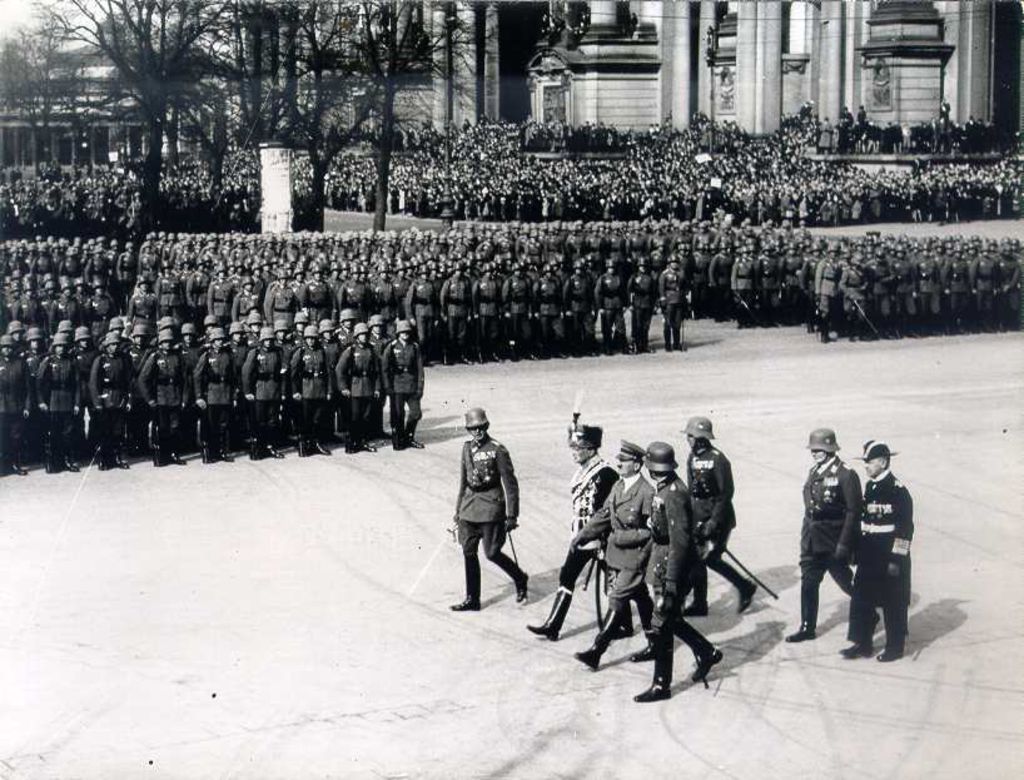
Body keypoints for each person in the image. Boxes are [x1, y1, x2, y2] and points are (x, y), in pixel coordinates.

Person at [633, 442, 722, 703]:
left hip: (674, 568)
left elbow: (680, 543)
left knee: (661, 624)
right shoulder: (667, 488)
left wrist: (671, 582)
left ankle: (662, 685)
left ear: (652, 469)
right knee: (669, 619)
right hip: (664, 562)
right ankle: (706, 651)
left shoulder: (673, 494)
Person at [527, 423, 618, 640]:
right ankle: (553, 625)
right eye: (573, 448)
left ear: (592, 449)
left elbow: (608, 511)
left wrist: (603, 541)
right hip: (581, 535)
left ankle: (630, 624)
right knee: (568, 575)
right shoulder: (582, 472)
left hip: (598, 538)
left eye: (579, 448)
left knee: (618, 585)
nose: (574, 453)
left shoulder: (606, 474)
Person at [571, 440, 655, 671]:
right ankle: (655, 641)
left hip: (635, 557)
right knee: (640, 596)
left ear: (637, 465)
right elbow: (603, 515)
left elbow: (651, 531)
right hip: (616, 556)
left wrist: (621, 538)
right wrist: (582, 536)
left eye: (624, 460)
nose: (618, 462)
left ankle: (596, 651)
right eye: (619, 459)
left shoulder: (647, 493)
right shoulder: (619, 486)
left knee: (617, 598)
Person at [451, 407, 529, 612]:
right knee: (468, 551)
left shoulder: (497, 449)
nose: (476, 432)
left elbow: (510, 484)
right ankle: (472, 599)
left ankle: (520, 577)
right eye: (472, 428)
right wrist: (458, 509)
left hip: (490, 506)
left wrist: (512, 514)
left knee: (492, 552)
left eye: (479, 427)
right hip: (469, 506)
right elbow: (463, 481)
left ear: (486, 426)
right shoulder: (466, 448)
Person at [787, 428, 860, 643]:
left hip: (832, 541)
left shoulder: (845, 474)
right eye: (813, 449)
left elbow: (853, 512)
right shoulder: (815, 471)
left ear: (830, 449)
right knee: (809, 582)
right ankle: (807, 627)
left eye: (819, 449)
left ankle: (869, 612)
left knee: (846, 581)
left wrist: (844, 544)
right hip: (811, 540)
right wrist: (805, 537)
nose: (815, 453)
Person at [842, 440, 914, 662]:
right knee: (861, 598)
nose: (865, 466)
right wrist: (855, 551)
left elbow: (905, 529)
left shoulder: (898, 491)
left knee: (894, 601)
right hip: (869, 553)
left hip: (889, 555)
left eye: (869, 462)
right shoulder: (871, 486)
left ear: (883, 462)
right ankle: (862, 643)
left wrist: (896, 559)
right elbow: (864, 523)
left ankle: (895, 646)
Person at [681, 416, 757, 616]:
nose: (688, 439)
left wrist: (713, 522)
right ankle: (700, 603)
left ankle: (744, 586)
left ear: (700, 438)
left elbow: (725, 494)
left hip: (719, 518)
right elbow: (692, 490)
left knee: (710, 558)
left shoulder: (718, 459)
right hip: (699, 516)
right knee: (698, 559)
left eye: (691, 436)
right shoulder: (692, 457)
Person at [139, 330, 189, 467]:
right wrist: (149, 399)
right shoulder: (154, 357)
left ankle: (174, 454)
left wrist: (184, 398)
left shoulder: (177, 357)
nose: (167, 344)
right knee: (162, 428)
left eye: (169, 342)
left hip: (175, 395)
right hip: (160, 397)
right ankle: (162, 455)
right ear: (160, 344)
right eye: (164, 342)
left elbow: (185, 379)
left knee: (175, 427)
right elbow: (143, 379)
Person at [36, 332, 81, 473]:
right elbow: (39, 383)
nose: (61, 348)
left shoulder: (72, 362)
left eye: (63, 346)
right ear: (54, 347)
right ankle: (53, 462)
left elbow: (77, 385)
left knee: (68, 433)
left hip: (67, 401)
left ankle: (68, 461)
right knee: (53, 433)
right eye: (58, 346)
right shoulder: (48, 362)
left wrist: (77, 403)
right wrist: (41, 401)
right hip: (52, 401)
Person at [335, 322, 382, 454]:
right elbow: (339, 370)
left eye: (366, 334)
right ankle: (352, 442)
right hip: (354, 387)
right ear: (356, 336)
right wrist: (343, 387)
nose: (364, 337)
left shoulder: (371, 350)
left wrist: (377, 388)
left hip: (368, 387)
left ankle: (362, 441)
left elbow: (377, 372)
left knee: (366, 416)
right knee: (355, 417)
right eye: (361, 335)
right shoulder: (350, 351)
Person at [88, 330, 132, 470]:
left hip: (119, 397)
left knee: (118, 431)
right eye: (112, 344)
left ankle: (118, 458)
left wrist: (128, 399)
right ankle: (104, 459)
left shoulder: (123, 359)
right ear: (106, 346)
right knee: (105, 431)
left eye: (116, 344)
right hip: (105, 398)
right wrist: (97, 403)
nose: (115, 347)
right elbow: (93, 383)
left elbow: (128, 381)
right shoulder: (100, 360)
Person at [381, 319, 424, 450]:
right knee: (398, 415)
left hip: (411, 384)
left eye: (407, 332)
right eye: (402, 332)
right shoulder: (392, 347)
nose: (405, 334)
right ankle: (398, 438)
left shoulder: (415, 347)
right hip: (397, 385)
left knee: (416, 413)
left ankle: (409, 436)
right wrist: (387, 386)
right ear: (398, 333)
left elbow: (420, 369)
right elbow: (385, 368)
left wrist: (420, 387)